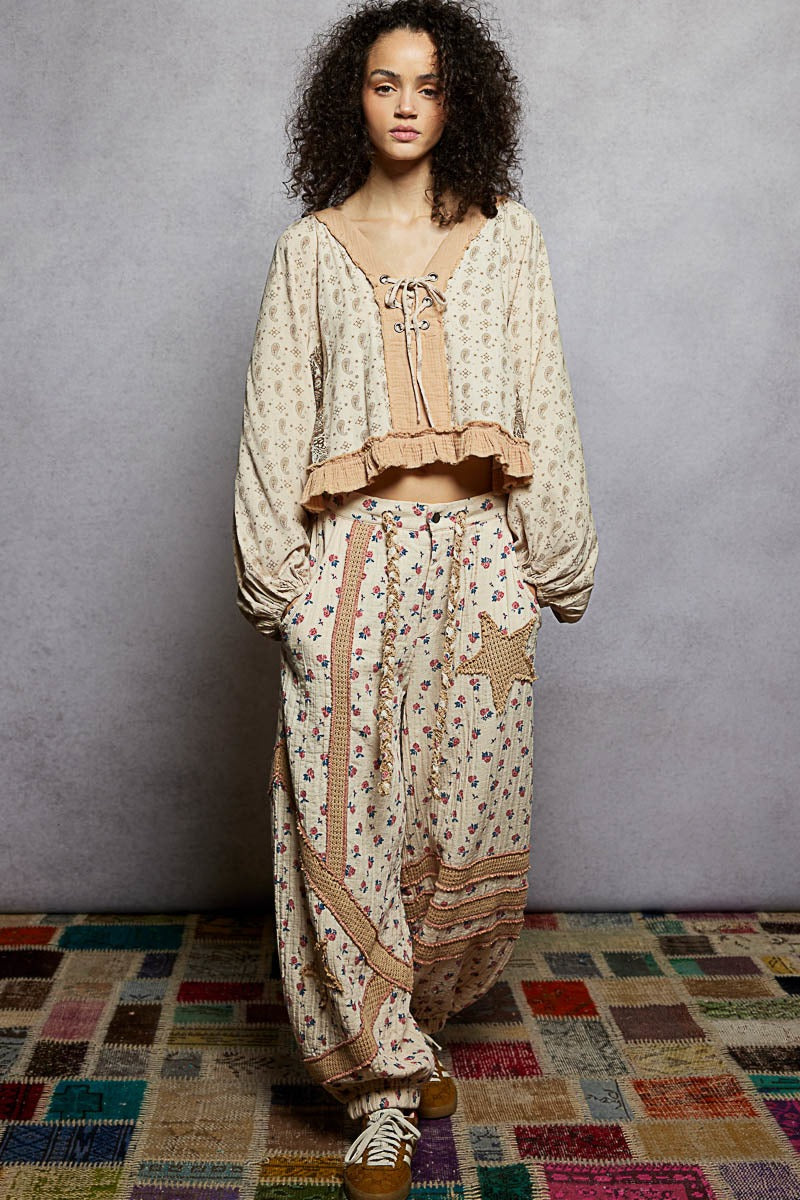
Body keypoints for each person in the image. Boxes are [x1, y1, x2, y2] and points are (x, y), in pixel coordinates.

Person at [232, 1, 598, 1196]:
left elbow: (541, 397)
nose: (402, 102)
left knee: (460, 819)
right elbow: (275, 418)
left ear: (458, 102)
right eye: (383, 81)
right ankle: (379, 1084)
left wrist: (555, 556)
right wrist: (276, 580)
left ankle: (413, 1017)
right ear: (353, 96)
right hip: (350, 560)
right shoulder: (310, 249)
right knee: (341, 815)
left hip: (480, 558)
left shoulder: (508, 237)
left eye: (426, 85)